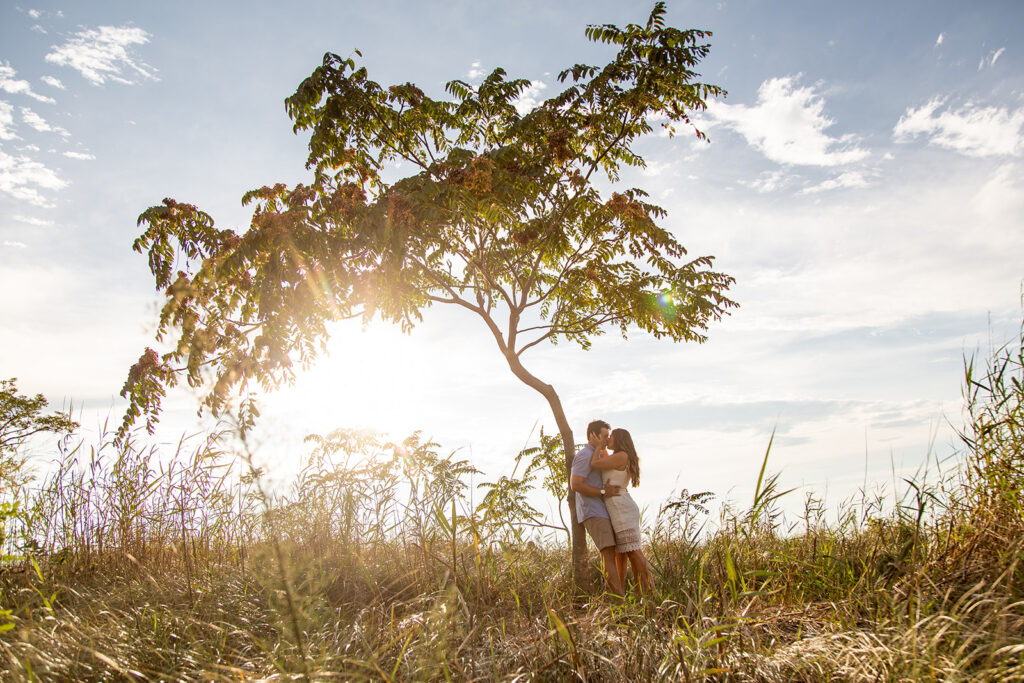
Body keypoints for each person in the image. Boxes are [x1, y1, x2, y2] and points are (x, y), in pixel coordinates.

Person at [589, 427, 655, 594]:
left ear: (618, 440)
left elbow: (595, 463)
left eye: (611, 437)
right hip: (619, 505)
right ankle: (640, 592)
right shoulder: (618, 456)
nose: (608, 439)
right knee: (627, 551)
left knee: (633, 551)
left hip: (621, 507)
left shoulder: (621, 456)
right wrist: (601, 444)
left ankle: (648, 590)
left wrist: (597, 446)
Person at [570, 419, 624, 595]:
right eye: (604, 436)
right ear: (592, 436)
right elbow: (576, 484)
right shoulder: (584, 455)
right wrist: (602, 492)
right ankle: (618, 599)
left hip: (603, 510)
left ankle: (616, 595)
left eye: (608, 437)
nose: (607, 440)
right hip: (593, 510)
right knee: (607, 553)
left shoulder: (600, 454)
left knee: (613, 552)